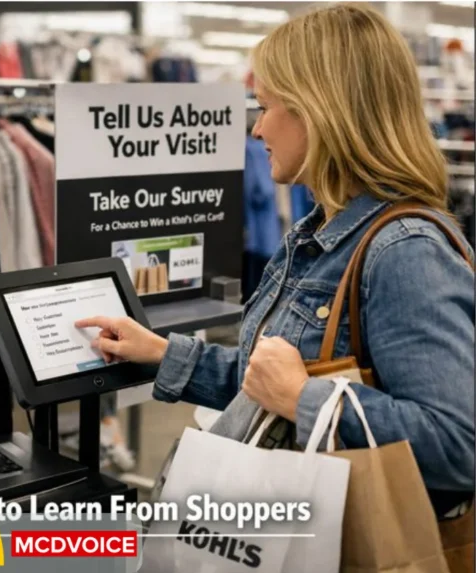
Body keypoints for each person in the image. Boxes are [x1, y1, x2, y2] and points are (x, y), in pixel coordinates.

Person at [76, 3, 475, 519]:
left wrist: (302, 400)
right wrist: (157, 351)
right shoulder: (318, 235)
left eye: (265, 107)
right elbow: (262, 382)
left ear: (319, 111)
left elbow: (460, 446)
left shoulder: (403, 251)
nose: (257, 130)